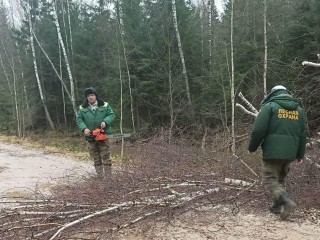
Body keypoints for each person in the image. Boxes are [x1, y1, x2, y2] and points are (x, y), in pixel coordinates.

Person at [248, 85, 307, 220]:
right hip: (290, 153)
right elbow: (303, 134)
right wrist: (300, 154)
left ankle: (287, 202)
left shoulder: (269, 107)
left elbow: (258, 130)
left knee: (271, 179)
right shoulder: (299, 110)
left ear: (273, 94)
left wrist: (252, 147)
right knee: (280, 179)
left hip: (272, 151)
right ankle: (276, 207)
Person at [76, 87, 115, 177]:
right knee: (96, 157)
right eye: (89, 96)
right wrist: (84, 128)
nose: (90, 97)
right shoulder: (82, 108)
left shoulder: (105, 105)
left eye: (92, 95)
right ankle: (100, 176)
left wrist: (105, 121)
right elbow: (79, 120)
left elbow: (111, 115)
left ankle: (108, 177)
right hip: (91, 136)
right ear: (86, 97)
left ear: (95, 96)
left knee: (106, 156)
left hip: (103, 134)